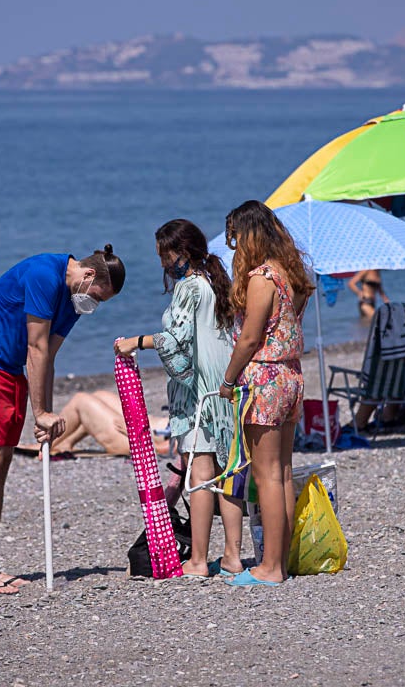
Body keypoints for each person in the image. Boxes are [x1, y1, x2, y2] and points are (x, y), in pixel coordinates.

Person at [0, 247, 125, 596]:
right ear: (89, 276)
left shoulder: (74, 301)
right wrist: (40, 412)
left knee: (1, 463)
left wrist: (47, 412)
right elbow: (36, 347)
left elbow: (49, 357)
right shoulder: (46, 273)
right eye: (99, 297)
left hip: (9, 370)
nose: (96, 305)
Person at [114, 219, 243, 579]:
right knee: (227, 473)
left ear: (181, 252)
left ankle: (198, 560)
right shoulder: (216, 282)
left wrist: (136, 342)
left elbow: (176, 339)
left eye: (163, 254)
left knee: (200, 476)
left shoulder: (189, 287)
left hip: (201, 390)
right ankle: (232, 556)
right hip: (225, 384)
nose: (161, 264)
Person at [219, 200, 313, 586]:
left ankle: (270, 568)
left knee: (267, 474)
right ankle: (280, 561)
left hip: (266, 379)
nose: (234, 247)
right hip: (290, 376)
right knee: (284, 471)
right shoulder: (290, 275)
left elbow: (249, 339)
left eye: (235, 238)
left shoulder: (262, 278)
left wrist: (227, 380)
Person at [14, 389, 171, 458]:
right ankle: (66, 442)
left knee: (81, 400)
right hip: (151, 430)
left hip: (144, 442)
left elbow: (175, 447)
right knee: (100, 395)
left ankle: (47, 443)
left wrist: (139, 431)